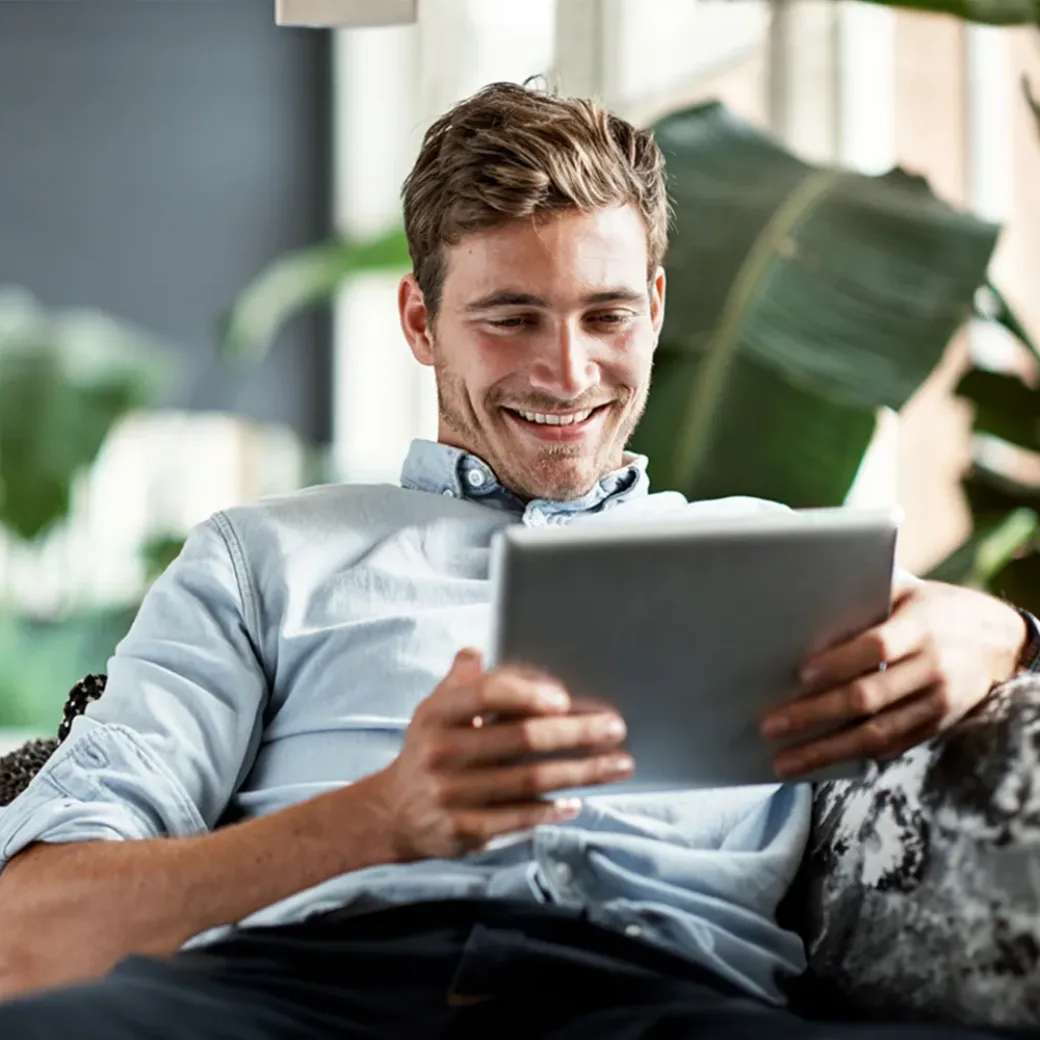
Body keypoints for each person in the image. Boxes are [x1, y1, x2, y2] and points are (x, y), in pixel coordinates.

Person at [0, 82, 1034, 1040]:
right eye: (510, 318)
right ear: (421, 319)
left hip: (663, 1003)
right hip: (296, 993)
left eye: (606, 315)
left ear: (656, 307)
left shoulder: (783, 555)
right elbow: (29, 931)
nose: (568, 371)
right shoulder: (260, 558)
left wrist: (1004, 630)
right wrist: (376, 818)